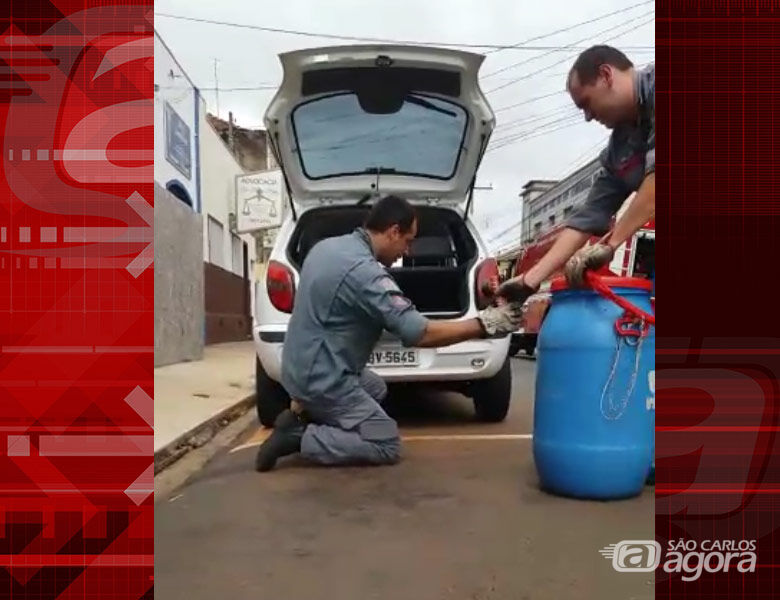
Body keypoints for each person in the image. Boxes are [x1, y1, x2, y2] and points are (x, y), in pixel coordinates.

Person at [255, 195, 524, 472]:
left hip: (298, 365)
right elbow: (419, 334)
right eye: (408, 241)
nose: (406, 252)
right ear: (393, 231)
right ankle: (300, 438)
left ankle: (305, 416)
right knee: (386, 443)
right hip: (321, 377)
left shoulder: (326, 248)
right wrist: (486, 324)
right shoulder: (365, 273)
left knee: (376, 388)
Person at [496, 45, 655, 303]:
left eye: (586, 103)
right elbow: (589, 215)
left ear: (606, 75)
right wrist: (529, 280)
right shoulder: (620, 148)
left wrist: (609, 245)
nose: (588, 117)